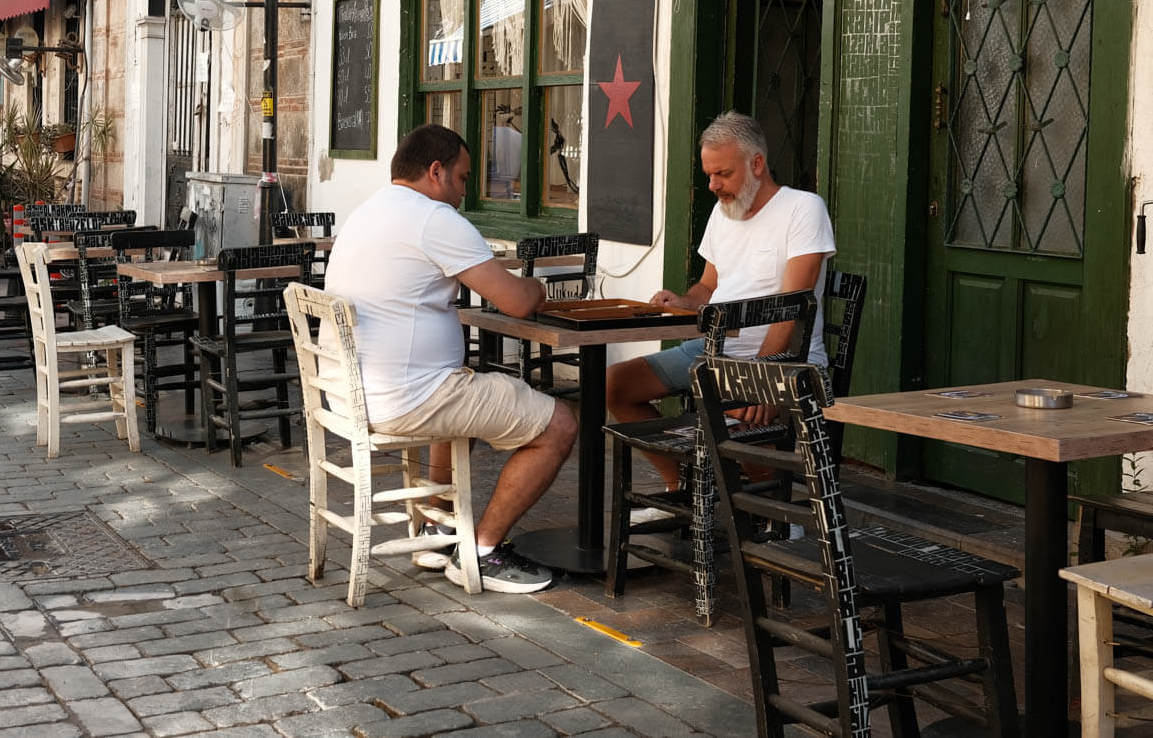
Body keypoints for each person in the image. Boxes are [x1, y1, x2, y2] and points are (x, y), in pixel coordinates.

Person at [324, 124, 577, 594]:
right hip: (406, 398)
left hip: (350, 395)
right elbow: (517, 302)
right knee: (559, 424)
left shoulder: (367, 211)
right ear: (435, 171)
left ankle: (438, 531)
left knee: (462, 390)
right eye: (462, 179)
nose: (464, 193)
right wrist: (541, 287)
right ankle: (481, 552)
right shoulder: (432, 219)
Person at [605, 110, 836, 493]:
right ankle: (680, 488)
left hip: (786, 360)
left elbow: (792, 307)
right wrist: (682, 300)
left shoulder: (803, 209)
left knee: (733, 406)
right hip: (714, 352)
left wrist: (762, 378)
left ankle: (775, 515)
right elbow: (708, 288)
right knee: (616, 385)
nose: (713, 185)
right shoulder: (722, 211)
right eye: (709, 174)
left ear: (757, 164)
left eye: (723, 174)